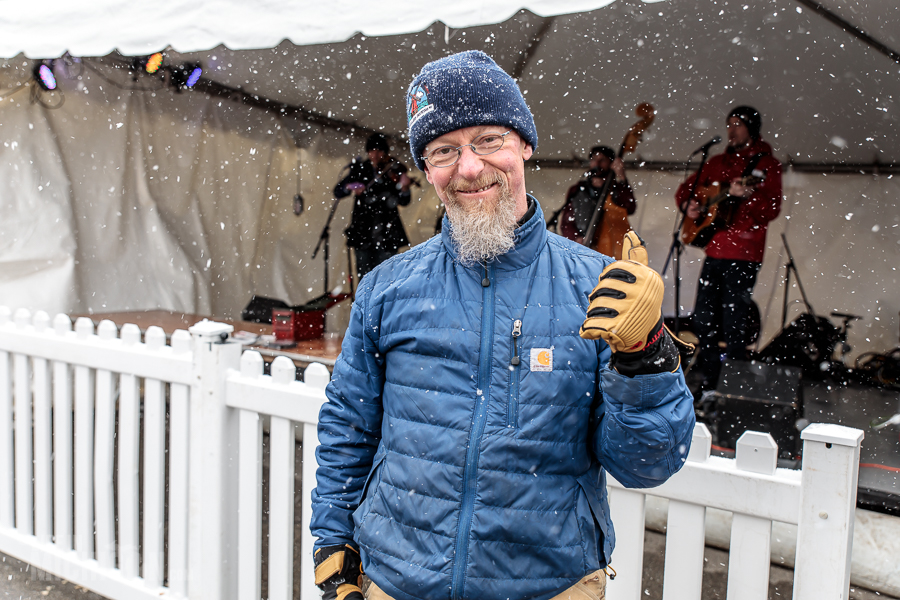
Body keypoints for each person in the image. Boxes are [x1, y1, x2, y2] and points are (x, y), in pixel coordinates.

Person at [311, 51, 695, 600]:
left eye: (488, 140)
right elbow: (349, 423)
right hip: (396, 582)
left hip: (551, 586)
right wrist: (332, 542)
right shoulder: (386, 288)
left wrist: (645, 353)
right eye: (444, 150)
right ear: (426, 170)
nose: (468, 167)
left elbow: (647, 465)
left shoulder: (600, 287)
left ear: (524, 146)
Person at [676, 105, 782, 393]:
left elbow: (771, 210)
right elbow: (686, 190)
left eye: (738, 124)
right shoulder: (717, 161)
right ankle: (709, 378)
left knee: (734, 321)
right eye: (729, 124)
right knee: (703, 317)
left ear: (752, 128)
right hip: (714, 251)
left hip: (743, 254)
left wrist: (747, 196)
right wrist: (690, 205)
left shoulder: (767, 165)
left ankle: (735, 383)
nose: (731, 130)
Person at [334, 133, 413, 280]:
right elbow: (338, 191)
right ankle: (366, 303)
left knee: (386, 278)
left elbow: (404, 201)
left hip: (387, 232)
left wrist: (405, 188)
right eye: (372, 151)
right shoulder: (360, 169)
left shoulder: (392, 170)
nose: (376, 155)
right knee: (364, 278)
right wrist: (350, 187)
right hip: (363, 230)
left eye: (380, 151)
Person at [558, 146, 636, 251]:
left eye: (602, 160)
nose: (597, 164)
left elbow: (630, 207)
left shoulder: (617, 189)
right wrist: (576, 238)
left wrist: (622, 178)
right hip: (583, 248)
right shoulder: (577, 190)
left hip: (608, 248)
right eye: (594, 159)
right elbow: (566, 222)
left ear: (611, 164)